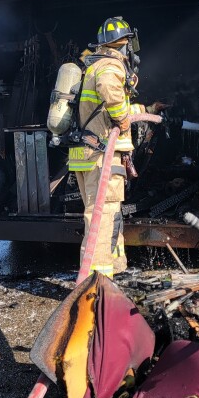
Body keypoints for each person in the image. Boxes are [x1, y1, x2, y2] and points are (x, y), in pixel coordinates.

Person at [67, 17, 164, 277]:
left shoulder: (93, 65)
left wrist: (148, 110)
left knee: (109, 214)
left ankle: (116, 268)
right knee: (102, 214)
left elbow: (105, 110)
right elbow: (110, 92)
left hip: (86, 153)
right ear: (125, 44)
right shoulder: (111, 65)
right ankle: (97, 280)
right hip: (101, 154)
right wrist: (123, 119)